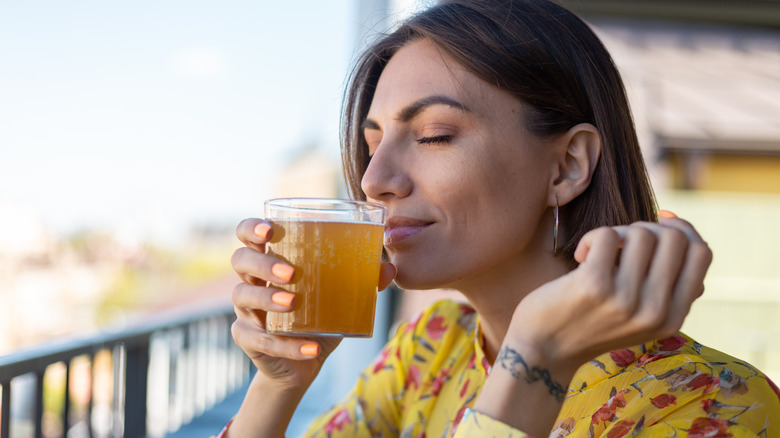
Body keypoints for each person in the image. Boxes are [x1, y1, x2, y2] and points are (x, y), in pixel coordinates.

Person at [221, 0, 780, 436]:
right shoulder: (430, 350)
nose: (372, 180)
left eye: (434, 135)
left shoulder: (716, 406)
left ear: (567, 165)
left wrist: (536, 359)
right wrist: (278, 384)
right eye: (373, 144)